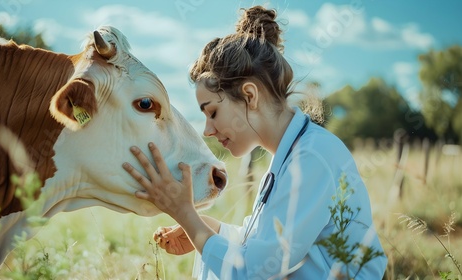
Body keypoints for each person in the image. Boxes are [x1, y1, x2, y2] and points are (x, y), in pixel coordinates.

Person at [122, 5, 387, 279]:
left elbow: (254, 270)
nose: (208, 130)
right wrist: (209, 229)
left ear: (249, 95)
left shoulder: (312, 157)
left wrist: (185, 214)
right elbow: (264, 248)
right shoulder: (291, 156)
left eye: (213, 112)